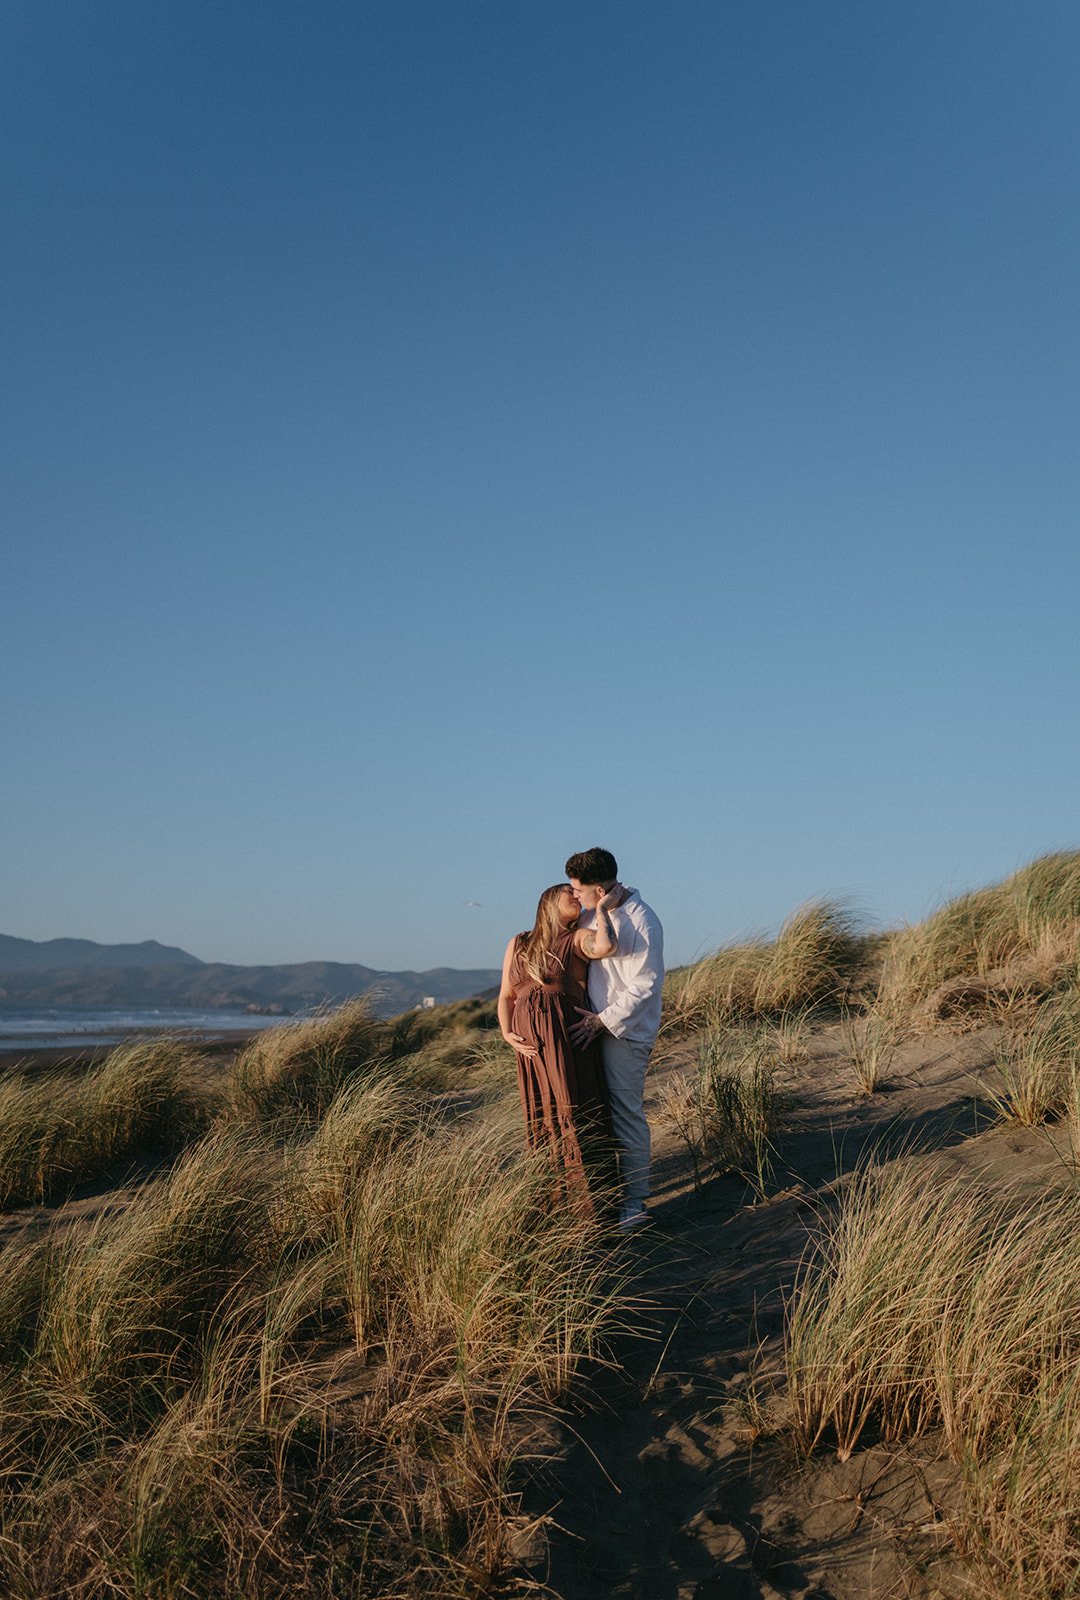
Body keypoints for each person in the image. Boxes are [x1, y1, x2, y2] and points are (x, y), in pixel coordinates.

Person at [498, 882, 621, 1217]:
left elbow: (606, 946)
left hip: (563, 1039)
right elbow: (508, 995)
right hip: (531, 1049)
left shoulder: (577, 938)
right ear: (548, 901)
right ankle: (555, 1206)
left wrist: (602, 911)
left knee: (574, 1108)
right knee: (542, 1116)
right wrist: (507, 1033)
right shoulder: (518, 943)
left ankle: (592, 1210)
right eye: (569, 891)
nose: (576, 895)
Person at [566, 848, 664, 1230]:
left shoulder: (643, 921)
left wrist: (601, 1022)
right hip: (593, 1029)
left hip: (625, 1033)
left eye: (579, 890)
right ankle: (604, 1197)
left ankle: (635, 1204)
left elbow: (645, 985)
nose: (574, 896)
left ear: (601, 888)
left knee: (626, 1116)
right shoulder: (591, 914)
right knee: (598, 1114)